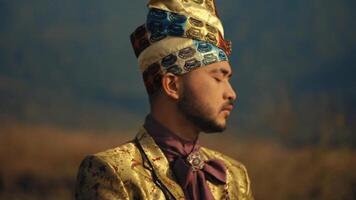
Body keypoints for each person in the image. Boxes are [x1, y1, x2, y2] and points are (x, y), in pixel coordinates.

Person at [75, 0, 253, 199]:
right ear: (172, 85)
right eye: (217, 78)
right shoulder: (113, 172)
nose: (231, 93)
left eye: (228, 79)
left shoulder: (234, 176)